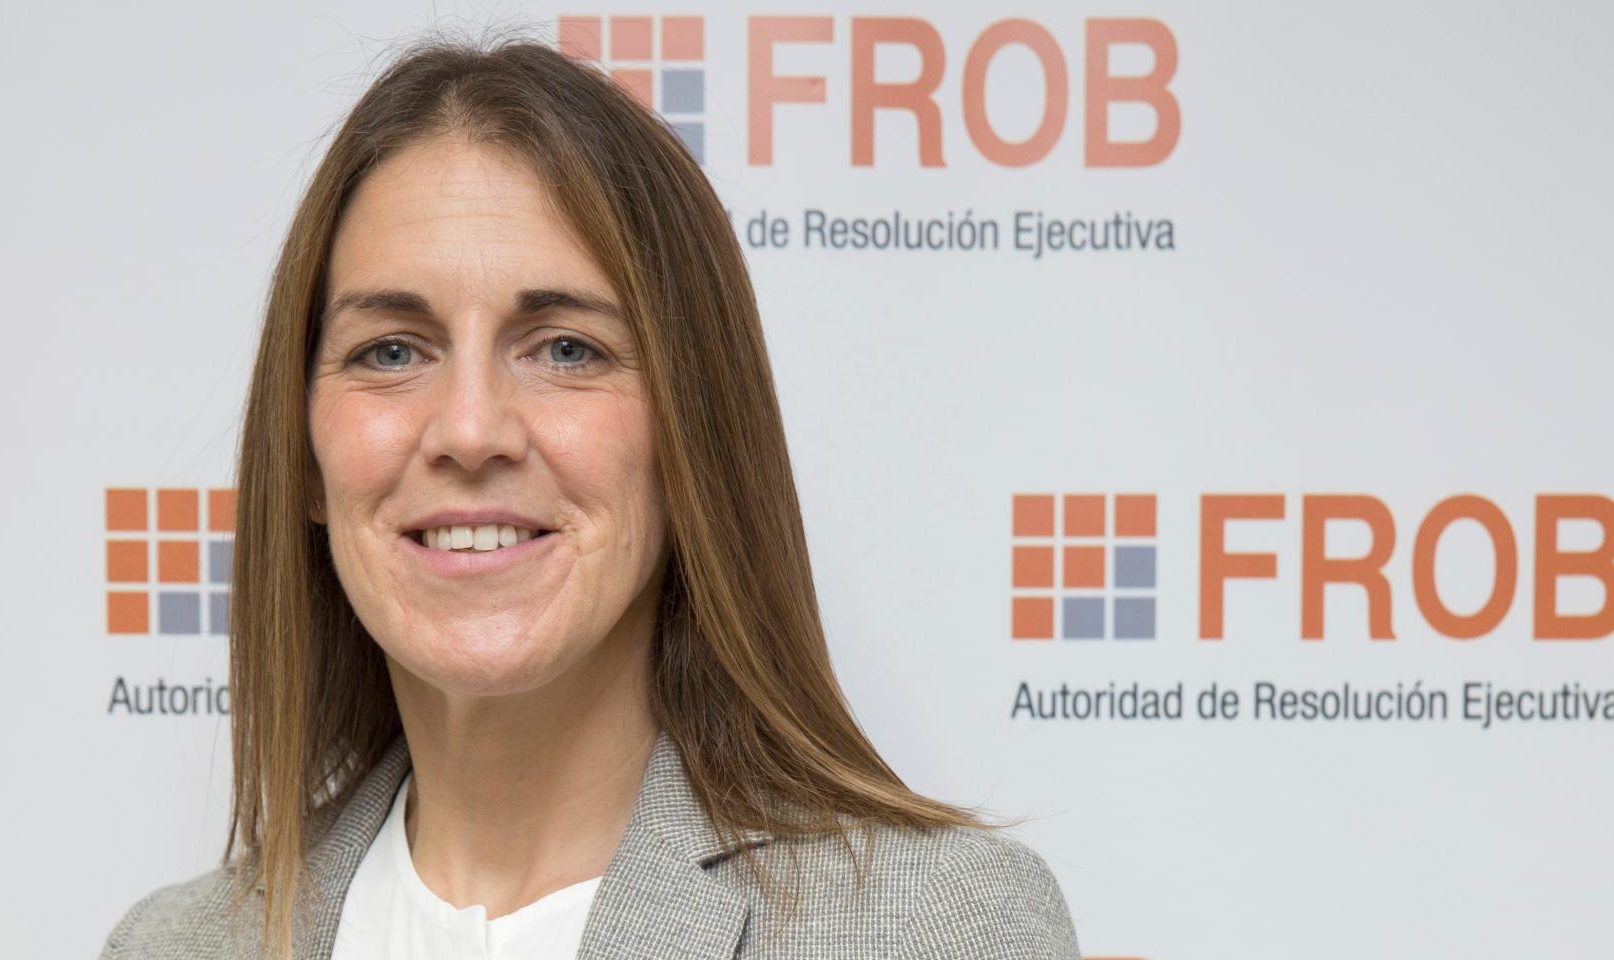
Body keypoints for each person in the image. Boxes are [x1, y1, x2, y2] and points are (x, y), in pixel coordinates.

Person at [99, 31, 1080, 960]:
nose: (469, 429)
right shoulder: (170, 945)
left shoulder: (935, 929)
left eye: (566, 349)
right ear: (308, 456)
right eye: (391, 351)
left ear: (689, 438)